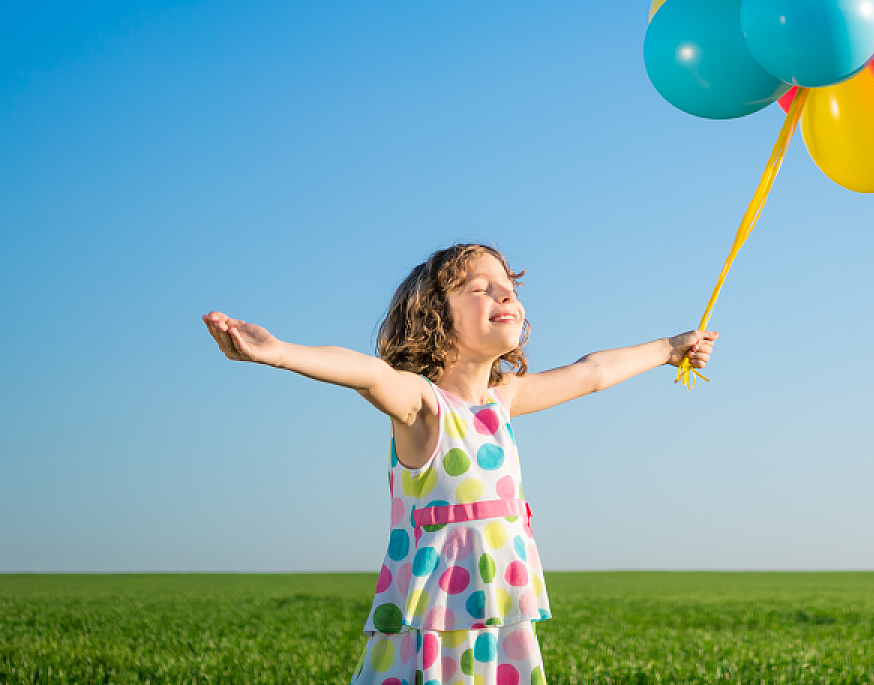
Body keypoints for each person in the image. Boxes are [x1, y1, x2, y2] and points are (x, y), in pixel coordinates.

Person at [202, 242, 717, 685]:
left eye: (507, 283)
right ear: (433, 315)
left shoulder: (503, 400)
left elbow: (593, 371)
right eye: (478, 286)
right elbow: (368, 373)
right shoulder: (422, 406)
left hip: (496, 619)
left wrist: (670, 349)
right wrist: (279, 352)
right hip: (435, 623)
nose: (504, 292)